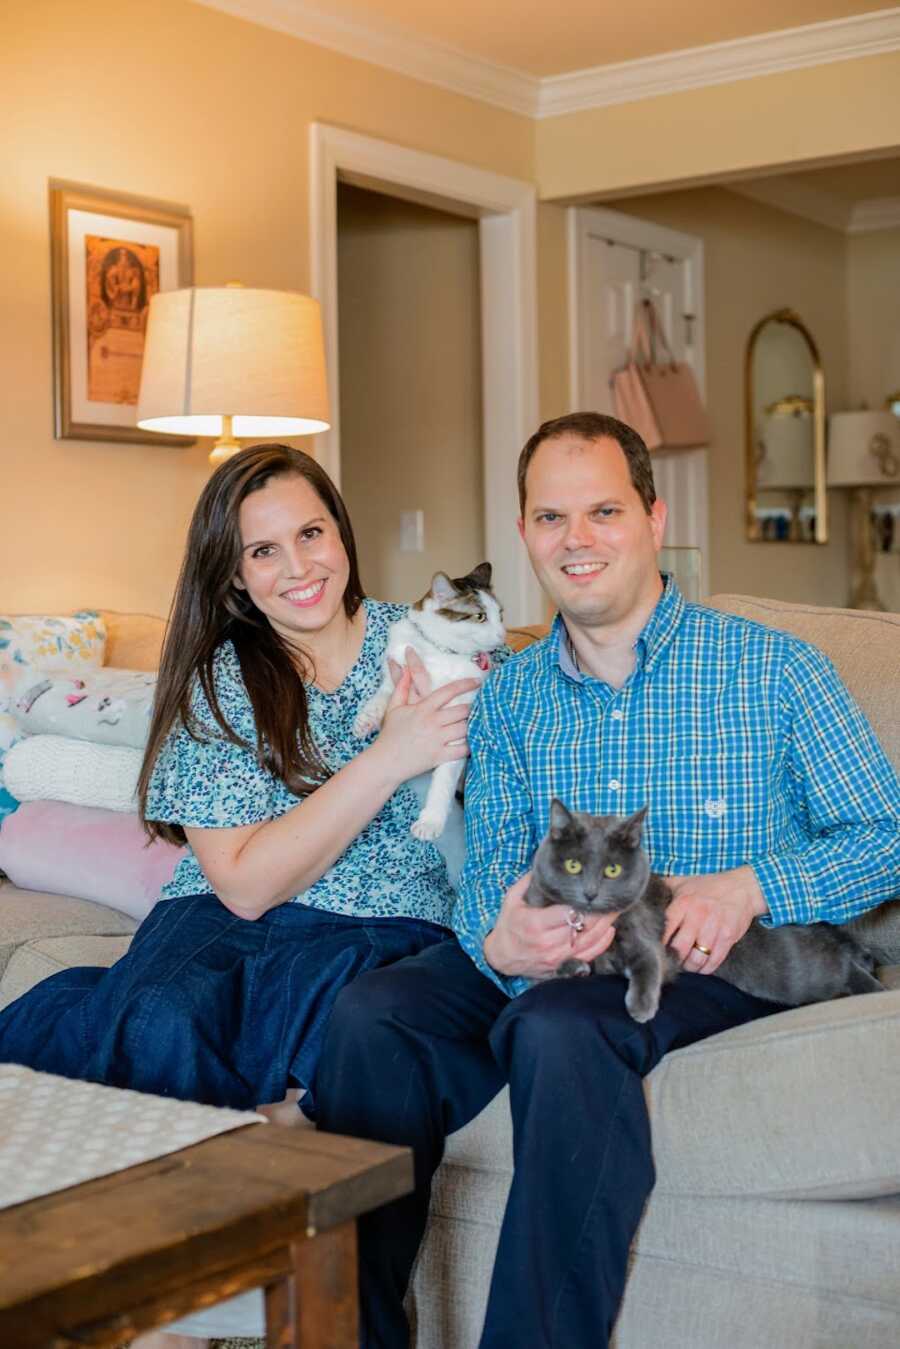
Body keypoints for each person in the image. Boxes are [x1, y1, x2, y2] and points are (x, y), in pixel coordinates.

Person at [314, 412, 900, 1348]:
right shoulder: (507, 696)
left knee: (560, 1030)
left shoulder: (774, 669)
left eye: (602, 511)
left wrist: (750, 885)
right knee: (369, 1016)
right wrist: (495, 936)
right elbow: (497, 865)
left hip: (711, 964)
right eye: (551, 518)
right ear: (524, 535)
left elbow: (888, 834)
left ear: (654, 518)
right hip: (548, 951)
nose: (575, 540)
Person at [0, 443, 479, 1113]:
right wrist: (389, 756)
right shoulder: (222, 683)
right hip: (220, 921)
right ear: (234, 576)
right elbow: (246, 886)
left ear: (341, 531)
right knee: (159, 1022)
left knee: (343, 1034)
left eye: (311, 533)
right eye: (263, 551)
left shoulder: (433, 641)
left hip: (385, 924)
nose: (298, 567)